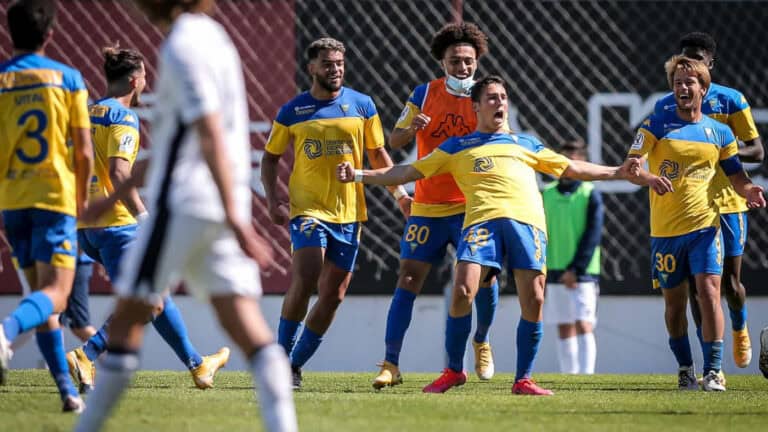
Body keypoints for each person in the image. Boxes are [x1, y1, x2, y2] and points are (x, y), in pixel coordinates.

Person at [337, 75, 638, 395]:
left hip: (527, 224)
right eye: (492, 98)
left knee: (534, 299)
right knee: (463, 290)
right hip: (481, 224)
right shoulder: (457, 146)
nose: (500, 103)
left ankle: (523, 379)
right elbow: (406, 171)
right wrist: (358, 175)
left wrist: (617, 171)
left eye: (503, 97)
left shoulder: (526, 143)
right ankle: (453, 370)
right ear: (476, 106)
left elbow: (570, 169)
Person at [73, 1, 296, 431]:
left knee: (128, 321)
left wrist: (237, 221)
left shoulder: (182, 44)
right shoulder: (214, 36)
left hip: (184, 204)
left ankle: (88, 417)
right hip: (212, 201)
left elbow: (206, 132)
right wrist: (111, 197)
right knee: (247, 328)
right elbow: (182, 143)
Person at [65, 45, 230, 395]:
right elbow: (119, 172)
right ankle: (88, 352)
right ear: (134, 80)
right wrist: (144, 216)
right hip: (118, 224)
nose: (146, 83)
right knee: (150, 297)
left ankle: (198, 365)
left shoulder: (86, 111)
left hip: (85, 226)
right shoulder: (123, 118)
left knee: (157, 294)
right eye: (143, 78)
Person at [261, 37, 409, 389]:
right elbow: (269, 159)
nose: (335, 69)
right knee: (308, 274)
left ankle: (294, 366)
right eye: (327, 63)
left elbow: (378, 156)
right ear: (311, 68)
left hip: (349, 213)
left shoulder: (362, 105)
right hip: (307, 209)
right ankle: (280, 359)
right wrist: (272, 201)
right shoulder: (293, 111)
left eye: (340, 63)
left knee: (334, 294)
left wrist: (400, 194)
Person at [373, 22, 500, 390]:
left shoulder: (486, 96)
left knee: (485, 280)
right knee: (408, 278)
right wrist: (412, 127)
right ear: (442, 62)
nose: (463, 68)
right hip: (428, 204)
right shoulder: (424, 93)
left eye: (469, 61)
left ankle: (482, 340)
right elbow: (394, 140)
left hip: (471, 206)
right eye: (455, 61)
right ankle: (390, 364)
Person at [628, 55, 765, 392]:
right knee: (674, 306)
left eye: (689, 82)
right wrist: (649, 179)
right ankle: (686, 369)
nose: (682, 87)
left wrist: (750, 191)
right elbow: (631, 166)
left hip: (705, 227)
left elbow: (736, 176)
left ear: (703, 89)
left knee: (709, 292)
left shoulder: (720, 132)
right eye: (677, 82)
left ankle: (715, 370)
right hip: (665, 232)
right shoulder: (656, 124)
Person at [0, 0, 94, 412]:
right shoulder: (68, 79)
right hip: (54, 197)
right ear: (50, 34)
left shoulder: (1, 80)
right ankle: (3, 335)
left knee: (41, 297)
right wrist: (83, 203)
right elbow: (85, 152)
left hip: (13, 200)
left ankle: (67, 392)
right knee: (56, 294)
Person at [542, 139, 603, 375]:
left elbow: (593, 234)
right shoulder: (546, 194)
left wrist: (576, 269)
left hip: (583, 274)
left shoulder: (590, 194)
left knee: (583, 324)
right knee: (563, 325)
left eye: (574, 162)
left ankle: (586, 377)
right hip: (555, 269)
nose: (568, 167)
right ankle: (569, 375)